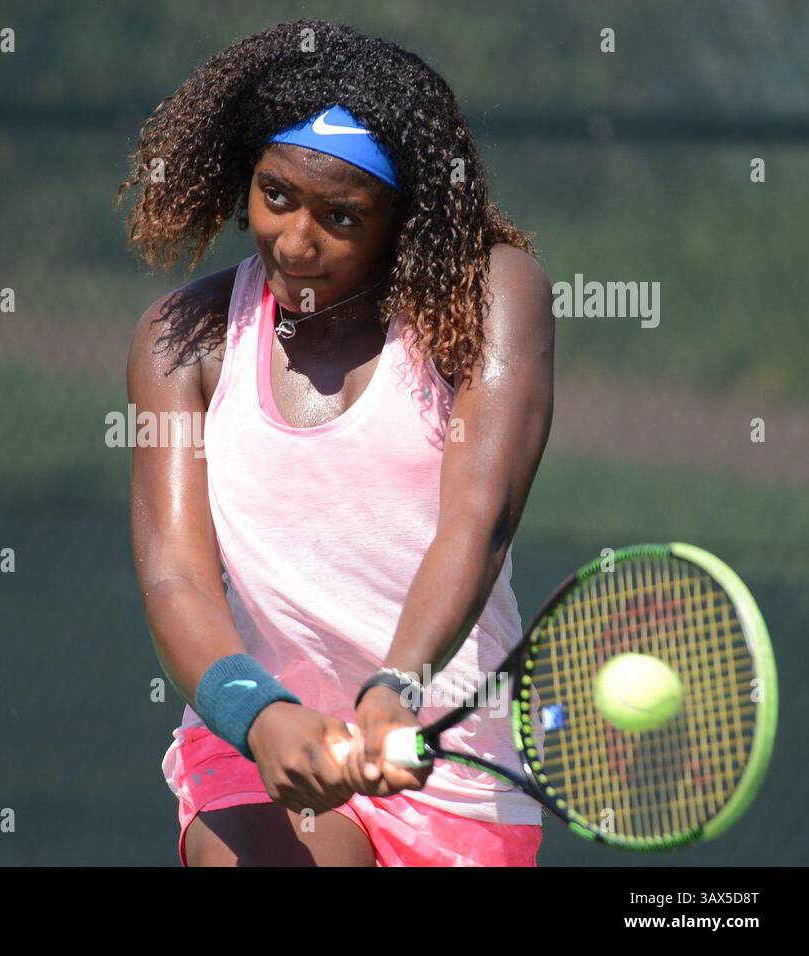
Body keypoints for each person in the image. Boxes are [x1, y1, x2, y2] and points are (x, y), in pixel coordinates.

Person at [119, 20, 554, 866]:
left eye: (341, 216)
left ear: (404, 220)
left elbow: (478, 518)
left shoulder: (494, 298)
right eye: (276, 194)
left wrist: (396, 691)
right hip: (257, 746)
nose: (295, 238)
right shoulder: (183, 340)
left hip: (453, 779)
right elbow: (176, 573)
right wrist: (258, 713)